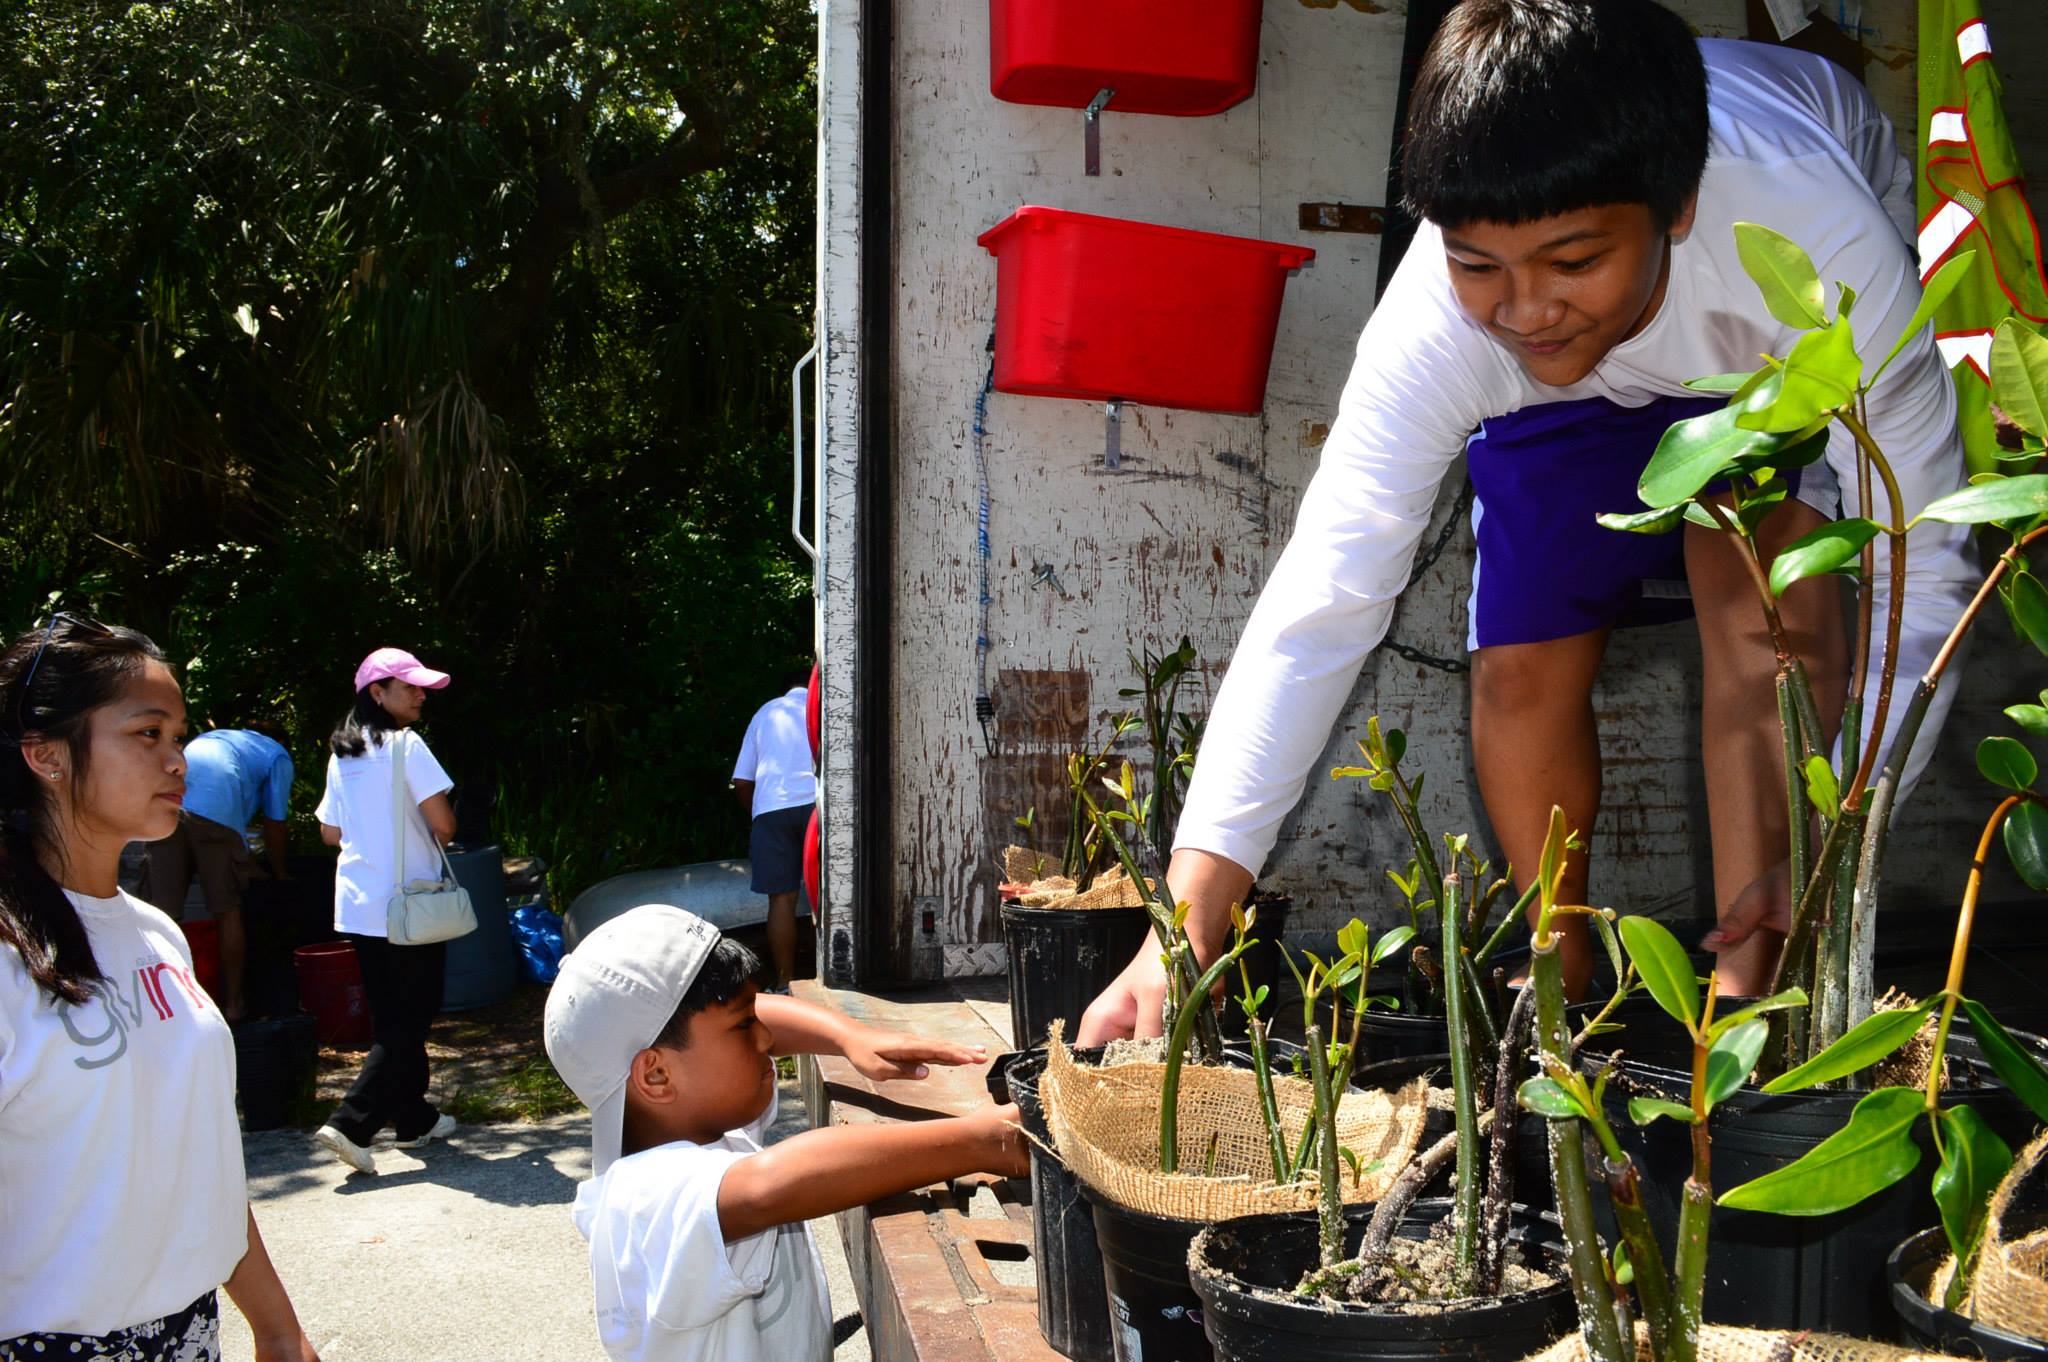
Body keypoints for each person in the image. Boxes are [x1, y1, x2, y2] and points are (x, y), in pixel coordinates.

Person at [1079, 0, 1977, 1041]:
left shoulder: (1824, 253)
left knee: (1764, 622)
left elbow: (1926, 559)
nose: (1525, 306)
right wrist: (1181, 922)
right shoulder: (1449, 320)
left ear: (1672, 206)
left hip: (1759, 356)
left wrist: (1837, 855)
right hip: (1566, 389)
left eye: (1569, 259)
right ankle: (1561, 972)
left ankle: (1753, 975)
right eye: (1478, 264)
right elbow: (1326, 593)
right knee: (1519, 653)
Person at [0, 614, 318, 1360]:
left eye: (179, 737)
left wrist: (276, 1326)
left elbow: (196, 1158)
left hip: (187, 1329)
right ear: (45, 755)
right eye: (148, 735)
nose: (179, 761)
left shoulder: (157, 933)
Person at [543, 903, 1027, 1362]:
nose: (767, 1040)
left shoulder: (698, 1121)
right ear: (656, 1076)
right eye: (744, 1025)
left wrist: (851, 1037)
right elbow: (769, 1185)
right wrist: (984, 1141)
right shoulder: (641, 1202)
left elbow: (754, 1020)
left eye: (757, 1016)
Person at [311, 647, 460, 1176]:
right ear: (377, 693)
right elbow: (444, 826)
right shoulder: (407, 745)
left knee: (393, 1016)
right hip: (409, 904)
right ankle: (351, 1124)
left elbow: (330, 832)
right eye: (410, 687)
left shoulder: (341, 755)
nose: (421, 695)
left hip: (358, 906)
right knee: (410, 1019)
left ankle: (413, 1117)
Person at [138, 725, 294, 1019]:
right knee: (227, 910)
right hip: (216, 813)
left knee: (159, 914)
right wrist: (281, 871)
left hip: (168, 805)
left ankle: (159, 1007)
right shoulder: (277, 755)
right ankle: (235, 1006)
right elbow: (275, 824)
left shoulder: (217, 739)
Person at [731, 671, 817, 987]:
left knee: (781, 901)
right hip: (816, 809)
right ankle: (833, 976)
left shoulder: (765, 713)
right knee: (830, 894)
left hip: (771, 811)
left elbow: (742, 781)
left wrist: (760, 813)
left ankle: (784, 984)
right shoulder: (823, 707)